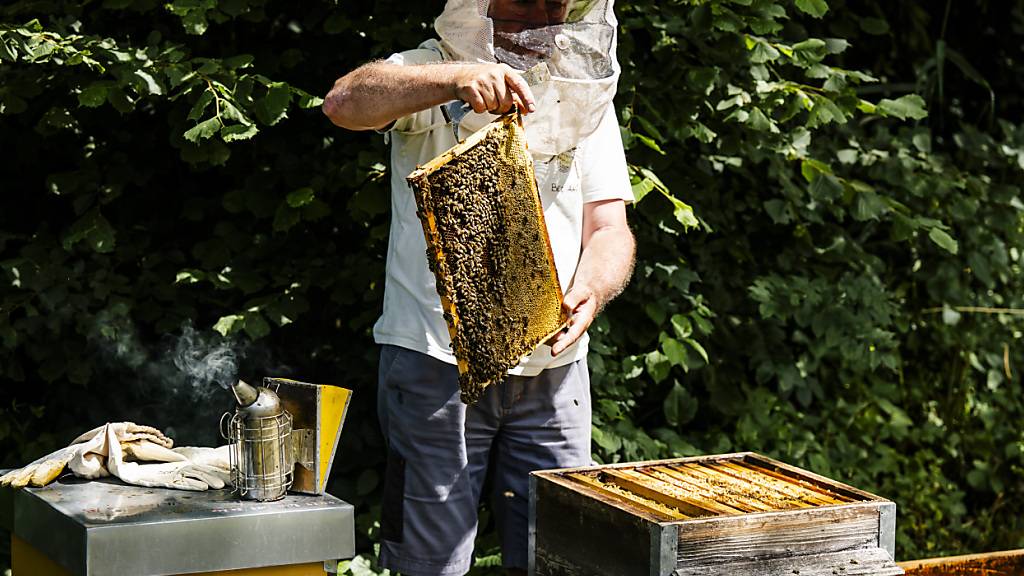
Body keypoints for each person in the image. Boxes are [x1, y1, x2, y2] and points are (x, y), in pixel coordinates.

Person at [322, 1, 635, 574]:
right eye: (518, 4)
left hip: (555, 367)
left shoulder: (583, 92)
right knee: (431, 562)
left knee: (562, 554)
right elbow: (344, 103)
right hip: (436, 363)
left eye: (551, 6)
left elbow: (610, 228)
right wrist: (454, 78)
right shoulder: (427, 70)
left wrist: (593, 286)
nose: (536, 18)